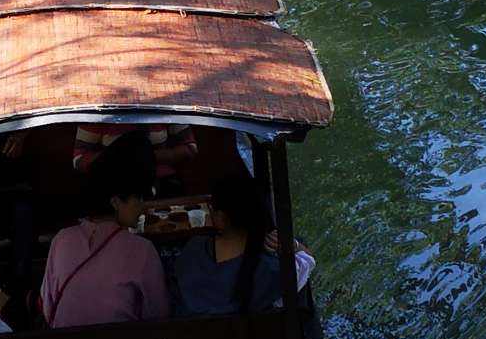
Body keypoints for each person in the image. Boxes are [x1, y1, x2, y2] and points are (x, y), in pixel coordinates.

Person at [37, 132, 167, 328]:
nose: (142, 206)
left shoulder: (61, 240)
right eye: (138, 198)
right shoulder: (143, 251)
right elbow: (159, 318)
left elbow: (48, 310)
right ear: (115, 202)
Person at [166, 162, 310, 317]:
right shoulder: (272, 270)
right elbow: (308, 260)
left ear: (220, 218)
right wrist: (294, 244)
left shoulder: (194, 248)